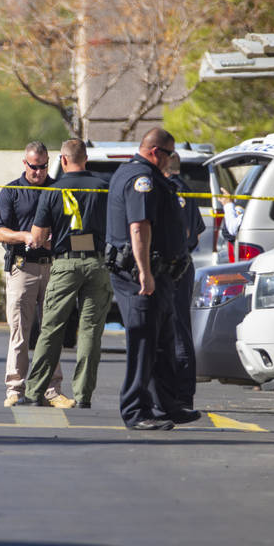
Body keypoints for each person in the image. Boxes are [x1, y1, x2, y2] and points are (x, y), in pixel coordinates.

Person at [105, 127, 201, 431]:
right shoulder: (141, 179)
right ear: (156, 151)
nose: (172, 160)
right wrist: (145, 273)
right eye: (170, 154)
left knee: (161, 343)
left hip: (160, 275)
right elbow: (139, 227)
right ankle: (135, 410)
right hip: (141, 276)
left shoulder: (150, 176)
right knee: (143, 342)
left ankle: (168, 405)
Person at [15, 139, 113, 409]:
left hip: (65, 263)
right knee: (91, 332)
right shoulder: (104, 188)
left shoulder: (52, 191)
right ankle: (84, 395)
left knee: (51, 330)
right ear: (86, 159)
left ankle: (35, 392)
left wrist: (47, 238)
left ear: (64, 160)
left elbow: (36, 236)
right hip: (97, 262)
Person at [0, 141, 73, 408]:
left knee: (52, 331)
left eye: (42, 166)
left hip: (53, 267)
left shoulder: (57, 190)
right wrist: (25, 236)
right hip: (22, 266)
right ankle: (15, 388)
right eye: (33, 167)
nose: (38, 172)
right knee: (19, 331)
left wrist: (53, 242)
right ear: (24, 163)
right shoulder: (12, 192)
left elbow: (72, 228)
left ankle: (52, 389)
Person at [163, 153, 205, 410]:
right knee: (181, 328)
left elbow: (185, 232)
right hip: (185, 263)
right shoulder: (187, 191)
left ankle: (179, 393)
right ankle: (183, 393)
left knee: (173, 331)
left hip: (172, 266)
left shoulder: (170, 192)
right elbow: (196, 236)